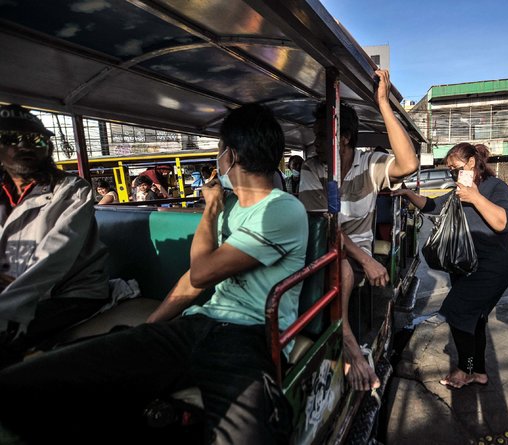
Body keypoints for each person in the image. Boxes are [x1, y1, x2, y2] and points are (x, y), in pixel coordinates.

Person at [0, 103, 308, 444]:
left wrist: (209, 211)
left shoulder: (283, 209)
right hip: (195, 324)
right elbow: (191, 284)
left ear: (230, 156)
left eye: (220, 151)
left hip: (248, 336)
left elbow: (202, 272)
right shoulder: (231, 205)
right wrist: (150, 329)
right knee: (33, 382)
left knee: (251, 435)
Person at [299, 69, 419, 391]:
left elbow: (408, 164)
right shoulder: (311, 169)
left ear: (344, 137)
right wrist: (367, 261)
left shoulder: (369, 164)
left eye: (322, 136)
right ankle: (345, 340)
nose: (316, 143)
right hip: (324, 248)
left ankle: (349, 342)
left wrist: (383, 103)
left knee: (344, 269)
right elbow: (323, 228)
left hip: (351, 253)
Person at [392, 142, 508, 389]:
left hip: (492, 268)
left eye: (455, 168)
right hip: (465, 267)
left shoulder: (495, 187)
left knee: (456, 312)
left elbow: (505, 222)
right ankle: (477, 372)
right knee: (475, 319)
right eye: (449, 169)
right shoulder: (458, 190)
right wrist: (408, 194)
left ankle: (466, 369)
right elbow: (434, 206)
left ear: (471, 163)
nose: (451, 173)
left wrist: (475, 197)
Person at [0, 104, 109, 368]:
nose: (26, 146)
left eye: (37, 140)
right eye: (12, 139)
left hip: (70, 293)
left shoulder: (72, 189)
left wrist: (4, 306)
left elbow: (54, 258)